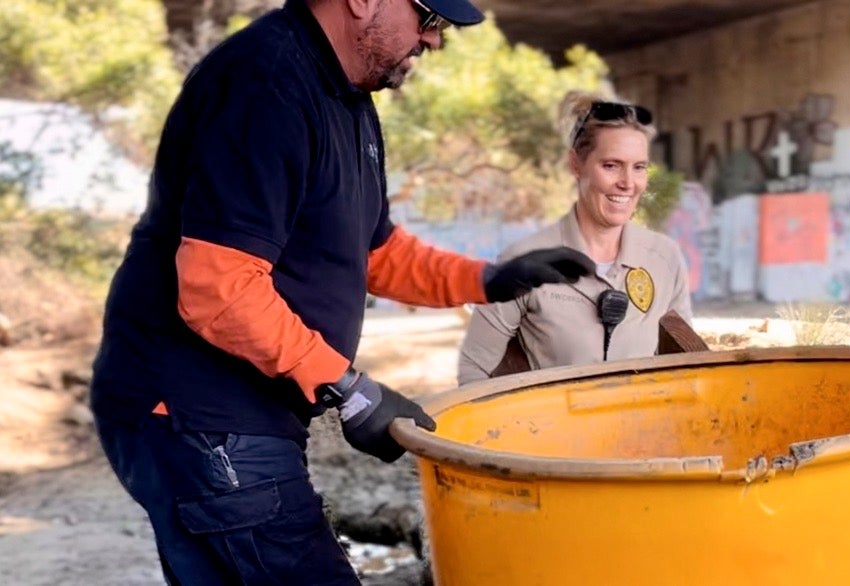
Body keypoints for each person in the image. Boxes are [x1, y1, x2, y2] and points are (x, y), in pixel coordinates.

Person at [88, 1, 593, 584]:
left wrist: (486, 279)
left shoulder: (348, 96)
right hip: (200, 414)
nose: (435, 42)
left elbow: (373, 250)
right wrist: (349, 389)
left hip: (236, 415)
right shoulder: (267, 84)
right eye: (430, 19)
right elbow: (215, 289)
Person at [458, 91, 694, 385]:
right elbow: (473, 370)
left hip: (644, 428)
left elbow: (685, 364)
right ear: (576, 164)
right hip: (557, 428)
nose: (628, 183)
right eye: (611, 165)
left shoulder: (664, 258)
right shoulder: (525, 262)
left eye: (639, 167)